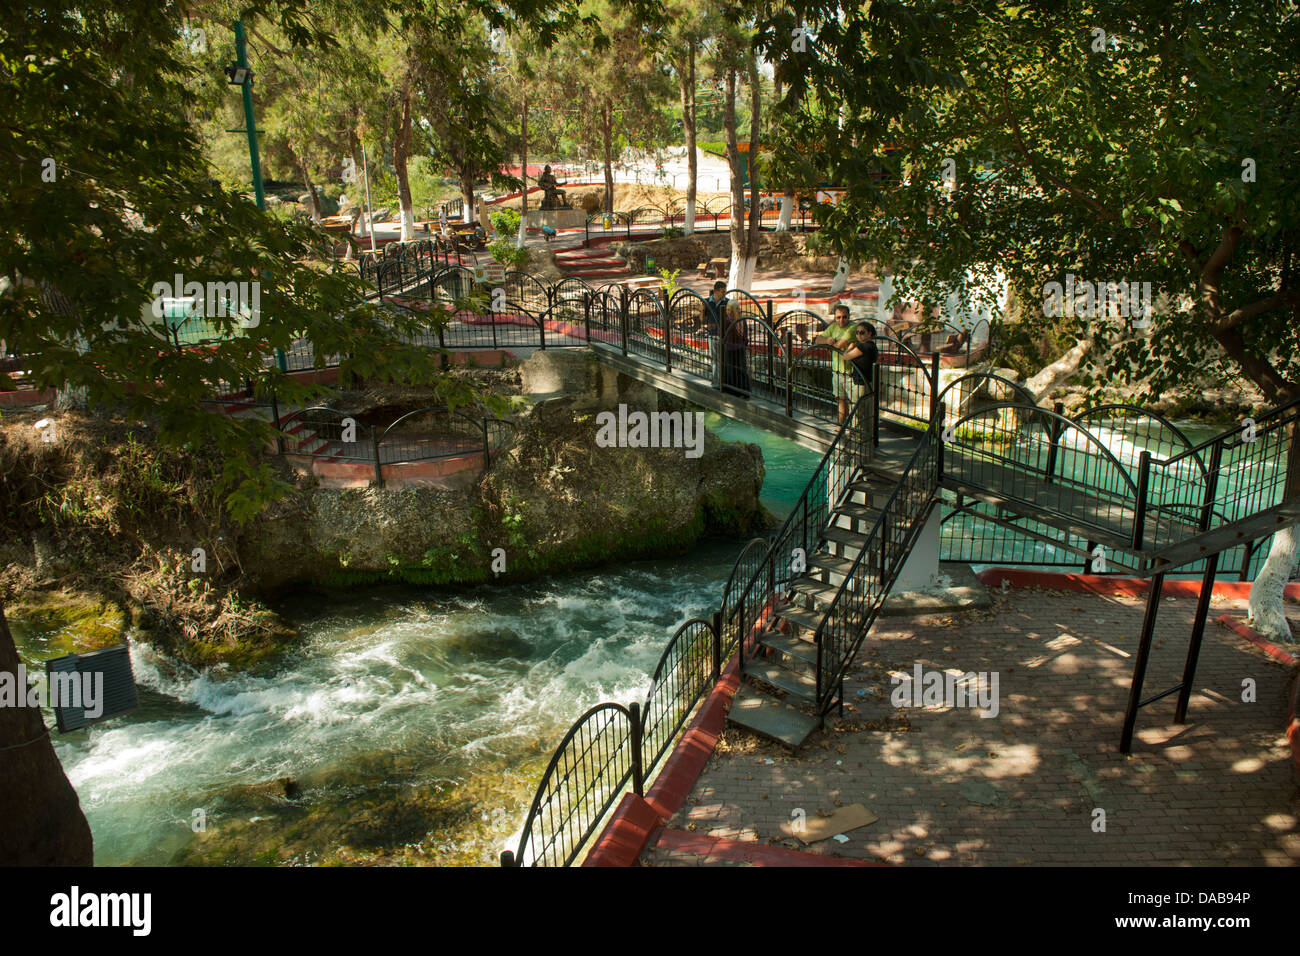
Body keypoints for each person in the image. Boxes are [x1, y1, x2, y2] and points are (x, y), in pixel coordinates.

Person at [815, 303, 857, 422]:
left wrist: (829, 344)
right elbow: (818, 340)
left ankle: (854, 429)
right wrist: (827, 340)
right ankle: (841, 425)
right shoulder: (833, 327)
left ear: (849, 317)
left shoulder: (853, 328)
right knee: (841, 400)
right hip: (837, 370)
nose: (841, 320)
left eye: (844, 317)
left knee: (854, 403)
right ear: (835, 317)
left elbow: (839, 345)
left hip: (851, 372)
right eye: (838, 317)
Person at [842, 321, 879, 416]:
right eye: (857, 332)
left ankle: (856, 430)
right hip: (868, 381)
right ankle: (867, 430)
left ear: (870, 333)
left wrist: (850, 348)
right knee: (867, 411)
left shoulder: (863, 347)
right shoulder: (872, 346)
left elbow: (846, 357)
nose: (859, 335)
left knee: (857, 411)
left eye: (862, 332)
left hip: (860, 382)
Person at [721, 300, 751, 398]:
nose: (728, 311)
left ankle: (744, 391)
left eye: (730, 309)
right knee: (731, 369)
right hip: (731, 348)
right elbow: (721, 332)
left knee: (740, 369)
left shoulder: (739, 320)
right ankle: (732, 390)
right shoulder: (728, 320)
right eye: (727, 309)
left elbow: (744, 334)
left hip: (736, 348)